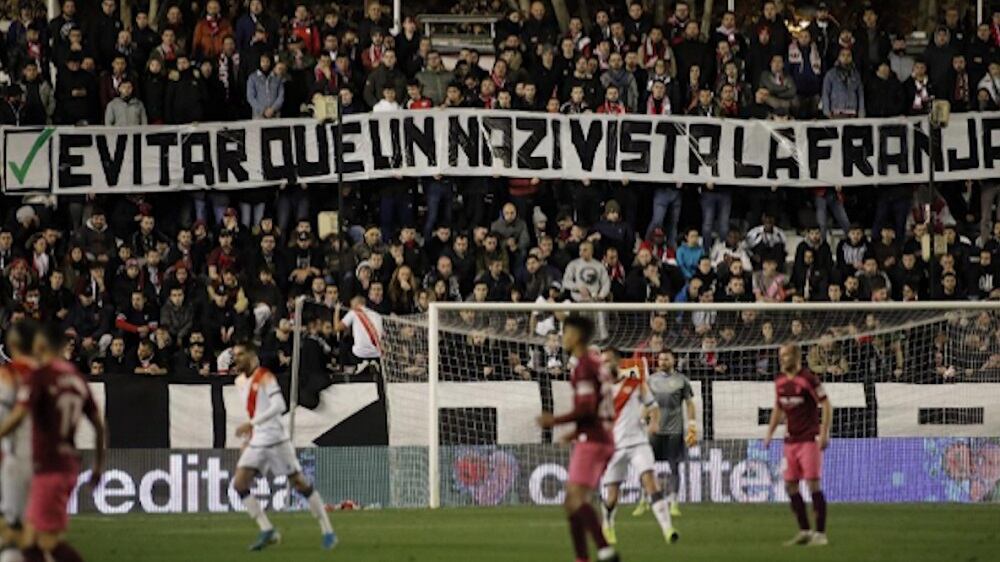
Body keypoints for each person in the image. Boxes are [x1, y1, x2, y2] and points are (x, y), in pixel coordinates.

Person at [0, 323, 105, 562]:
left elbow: (18, 416)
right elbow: (99, 425)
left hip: (49, 466)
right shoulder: (77, 378)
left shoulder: (41, 376)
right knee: (30, 540)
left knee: (44, 542)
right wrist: (98, 466)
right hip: (67, 464)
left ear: (41, 345)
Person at [229, 342, 336, 551]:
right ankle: (267, 530)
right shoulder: (239, 382)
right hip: (258, 440)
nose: (237, 359)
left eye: (241, 354)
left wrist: (251, 424)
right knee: (239, 484)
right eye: (235, 355)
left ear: (252, 356)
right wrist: (249, 437)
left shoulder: (265, 376)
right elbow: (254, 411)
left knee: (299, 484)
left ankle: (327, 530)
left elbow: (279, 406)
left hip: (277, 439)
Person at [536, 315, 619, 562]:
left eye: (567, 332)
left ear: (578, 336)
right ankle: (583, 557)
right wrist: (573, 432)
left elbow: (586, 408)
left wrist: (555, 421)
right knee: (572, 502)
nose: (564, 337)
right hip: (600, 435)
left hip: (593, 439)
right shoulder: (595, 363)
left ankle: (604, 550)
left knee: (575, 499)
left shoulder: (584, 366)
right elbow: (595, 407)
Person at [598, 348, 678, 547]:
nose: (604, 366)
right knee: (612, 497)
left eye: (607, 361)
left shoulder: (635, 385)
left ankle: (668, 529)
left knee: (651, 481)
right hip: (615, 448)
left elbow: (653, 406)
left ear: (617, 363)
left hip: (638, 443)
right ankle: (608, 522)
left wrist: (654, 422)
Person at [763, 344, 832, 547]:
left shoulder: (808, 379)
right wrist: (769, 433)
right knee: (790, 485)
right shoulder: (780, 381)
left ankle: (820, 533)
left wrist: (824, 432)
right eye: (780, 355)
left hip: (809, 440)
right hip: (790, 442)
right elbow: (778, 408)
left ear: (796, 357)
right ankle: (804, 530)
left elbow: (826, 404)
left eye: (785, 355)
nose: (782, 359)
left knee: (812, 484)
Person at [0, 322, 38, 554]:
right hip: (46, 462)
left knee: (12, 528)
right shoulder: (52, 374)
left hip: (15, 460)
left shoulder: (9, 376)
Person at [646, 349, 696, 518]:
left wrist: (692, 425)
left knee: (674, 465)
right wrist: (641, 423)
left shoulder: (682, 381)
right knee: (646, 466)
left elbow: (689, 404)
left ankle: (674, 502)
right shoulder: (651, 380)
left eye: (666, 359)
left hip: (674, 430)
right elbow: (645, 404)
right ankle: (645, 500)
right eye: (660, 359)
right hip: (654, 429)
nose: (663, 362)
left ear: (673, 360)